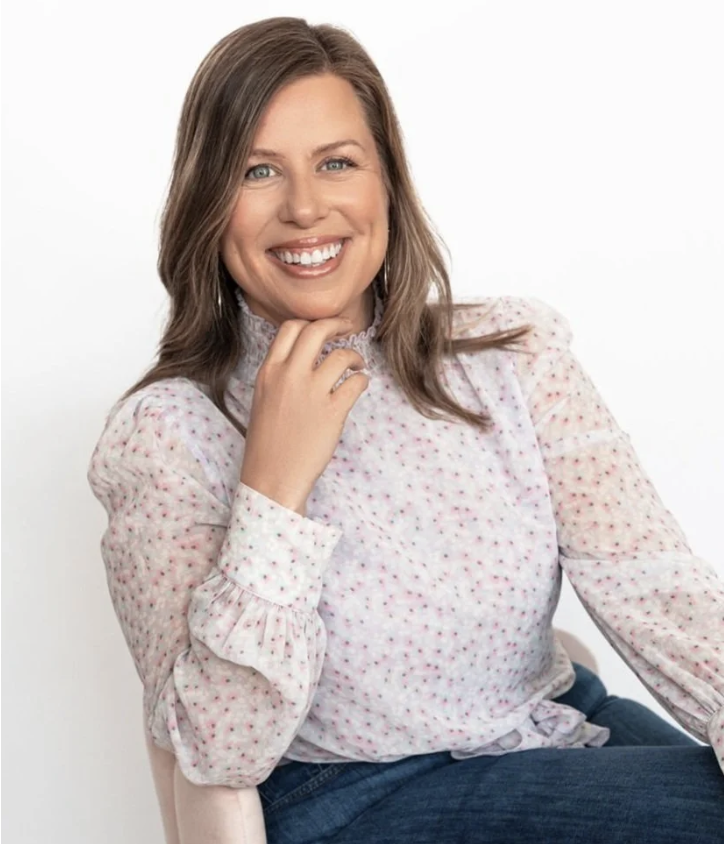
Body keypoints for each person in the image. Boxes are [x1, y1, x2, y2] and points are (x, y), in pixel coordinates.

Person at [87, 16, 724, 844]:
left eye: (338, 163)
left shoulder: (511, 357)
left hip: (549, 722)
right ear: (209, 200)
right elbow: (216, 749)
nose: (306, 207)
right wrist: (273, 489)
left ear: (386, 182)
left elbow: (658, 591)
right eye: (258, 171)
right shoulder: (166, 435)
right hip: (356, 796)